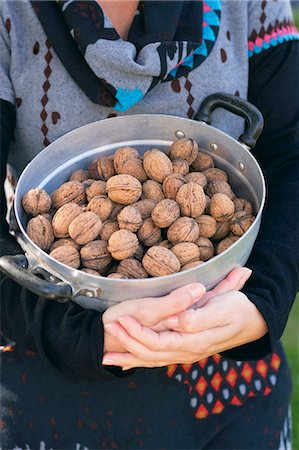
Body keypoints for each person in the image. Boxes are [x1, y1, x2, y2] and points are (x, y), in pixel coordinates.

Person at [0, 0, 298, 449]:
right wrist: (75, 334)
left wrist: (261, 304)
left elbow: (290, 154)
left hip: (230, 389)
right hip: (49, 376)